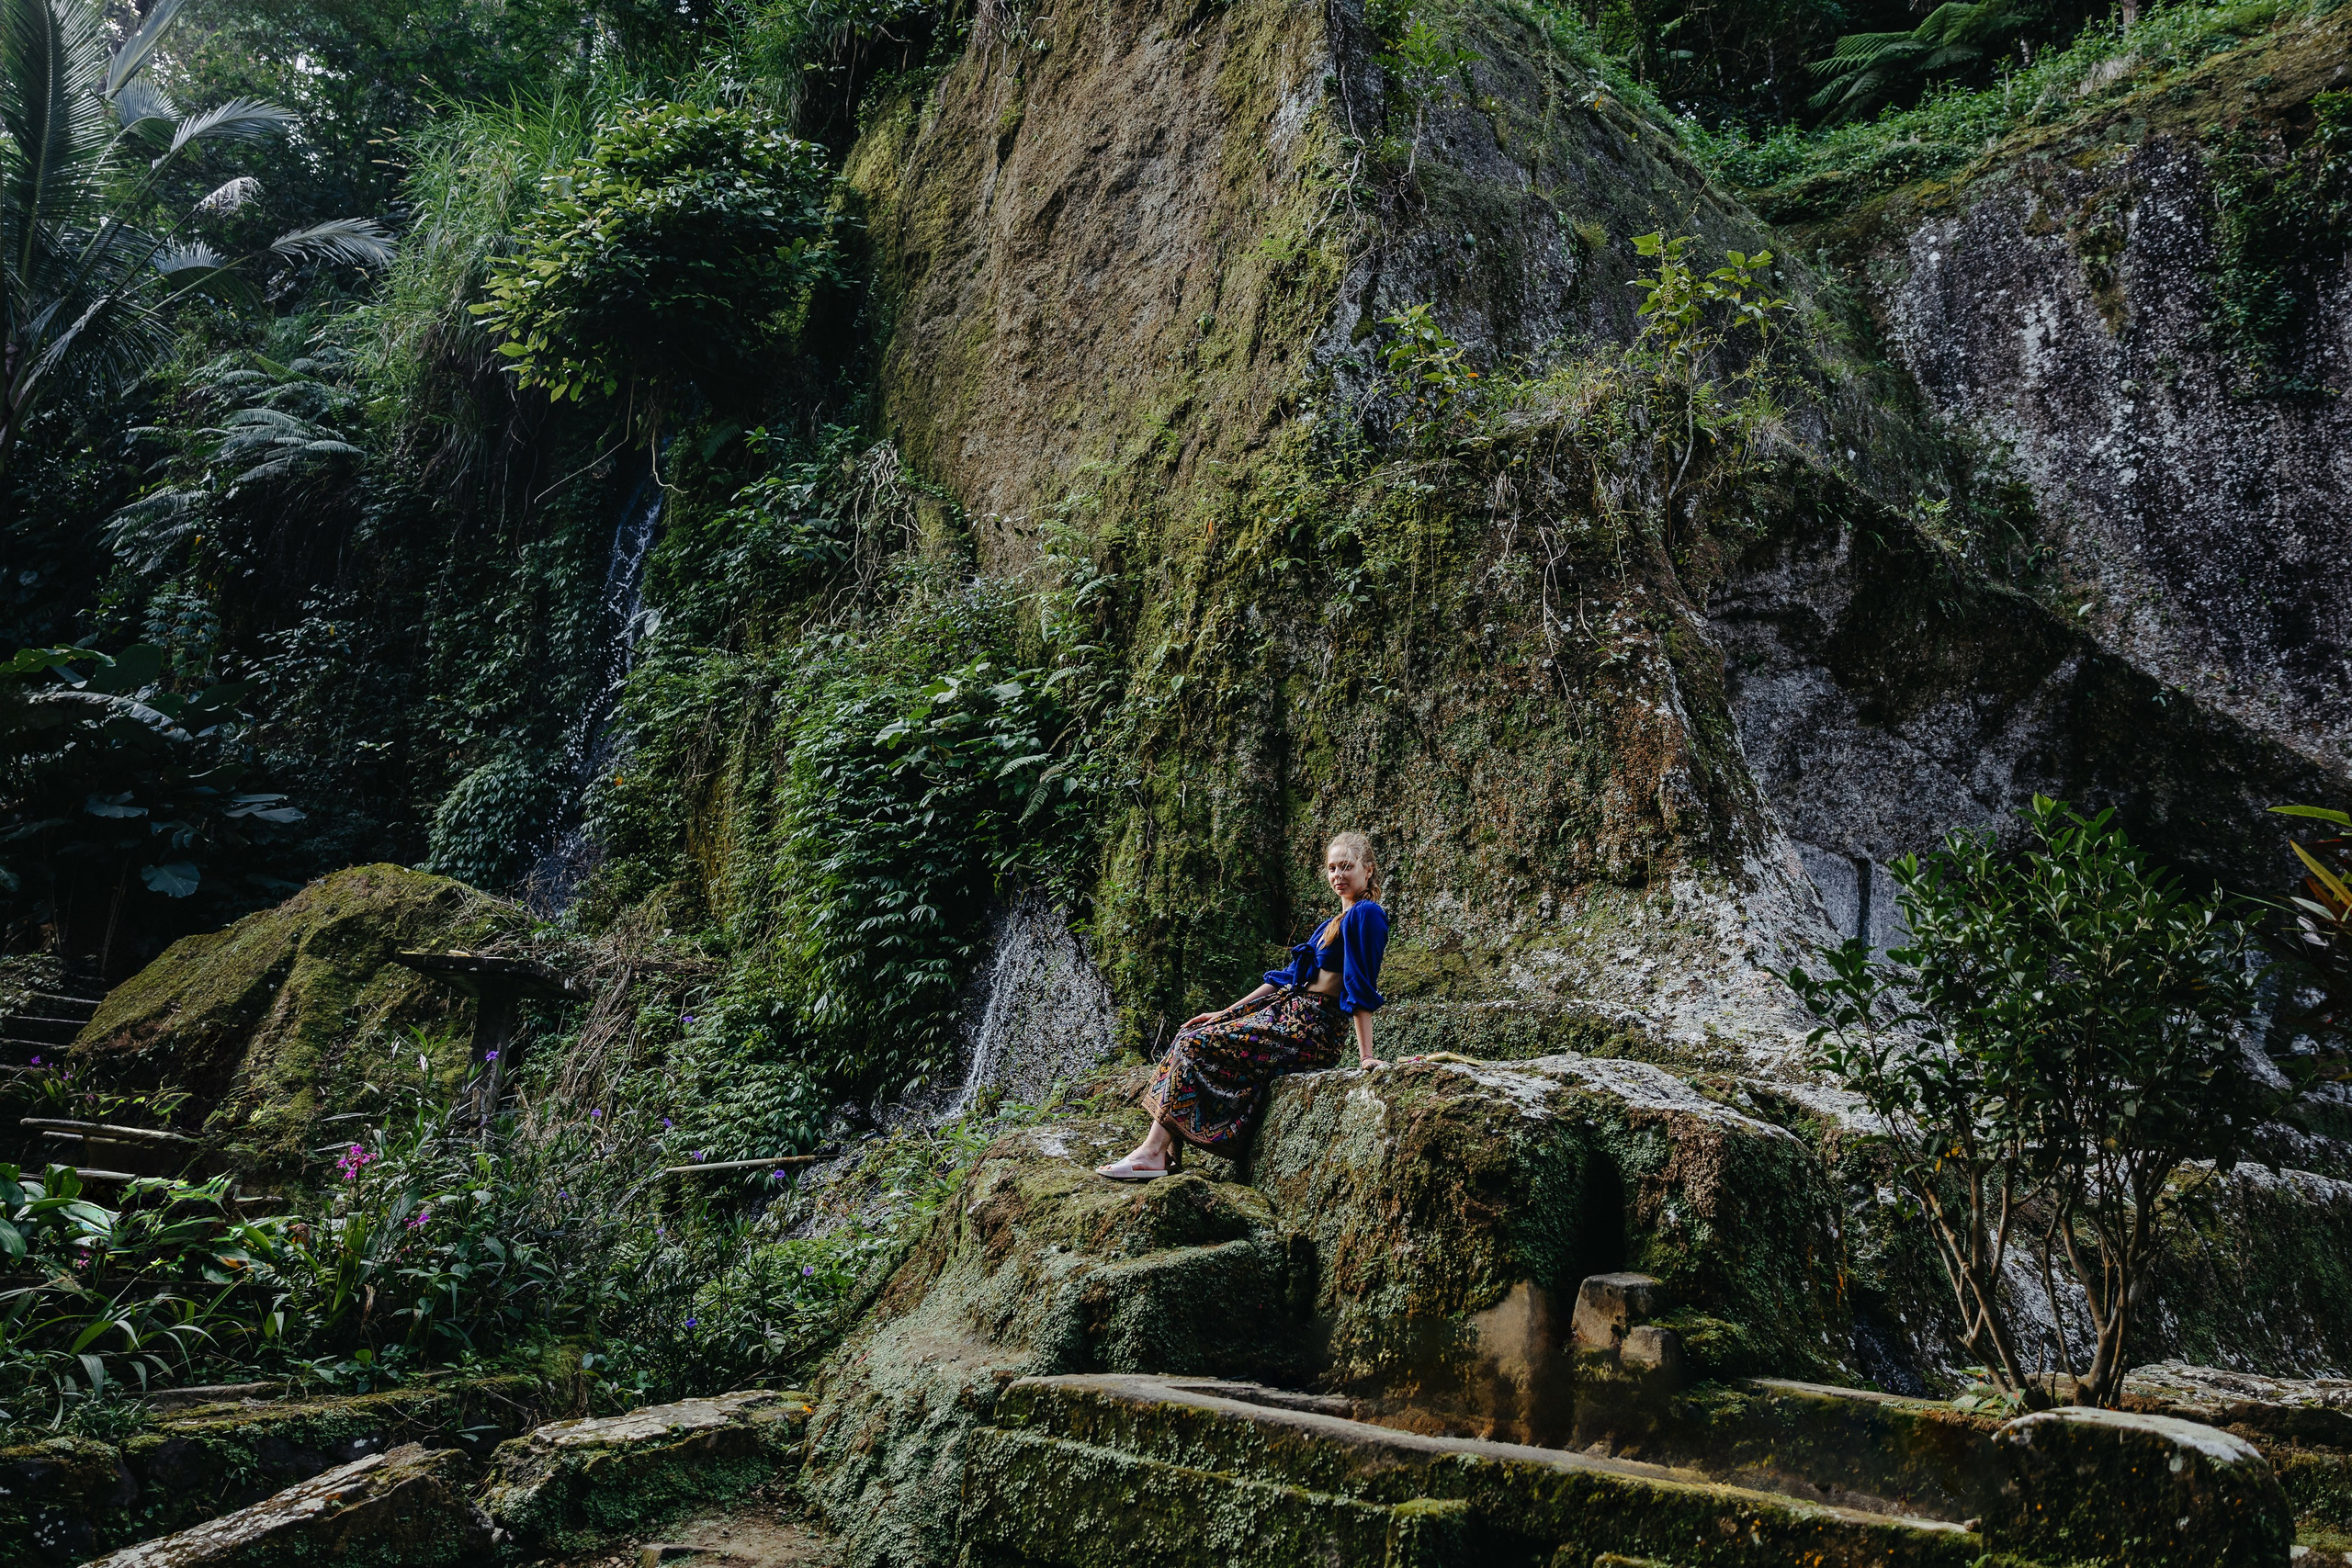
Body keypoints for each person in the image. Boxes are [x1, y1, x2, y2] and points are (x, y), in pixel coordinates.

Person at [1097, 831, 1389, 1180]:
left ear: (1368, 870)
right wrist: (1225, 1013)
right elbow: (1287, 977)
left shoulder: (1367, 914)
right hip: (1288, 1014)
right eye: (1331, 868)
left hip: (1312, 1029)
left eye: (1347, 866)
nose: (1338, 875)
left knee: (1194, 1046)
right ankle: (1163, 1153)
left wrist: (1365, 1056)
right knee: (1192, 1033)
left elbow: (1360, 985)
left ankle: (1151, 1154)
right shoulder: (1330, 924)